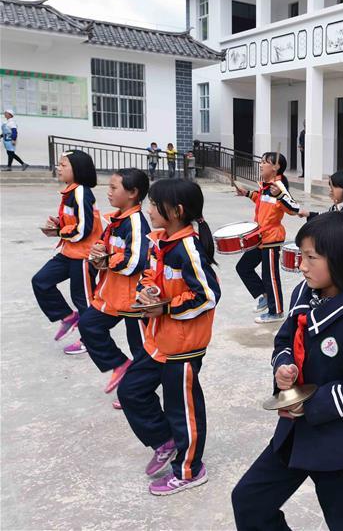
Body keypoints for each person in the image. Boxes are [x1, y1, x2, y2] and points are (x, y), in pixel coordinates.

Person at [231, 212, 343, 530]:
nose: (302, 266)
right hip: (295, 433)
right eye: (301, 255)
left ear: (342, 260)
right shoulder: (305, 294)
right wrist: (282, 367)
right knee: (249, 501)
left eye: (311, 257)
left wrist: (310, 403)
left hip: (340, 444)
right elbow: (286, 339)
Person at [118, 178, 220, 496]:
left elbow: (207, 295)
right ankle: (165, 440)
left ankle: (190, 470)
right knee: (131, 390)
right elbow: (151, 275)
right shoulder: (161, 240)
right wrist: (147, 290)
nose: (148, 209)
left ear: (176, 211)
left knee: (183, 409)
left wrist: (165, 308)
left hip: (184, 346)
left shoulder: (188, 248)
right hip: (159, 340)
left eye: (153, 204)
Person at [80, 168, 151, 399]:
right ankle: (120, 364)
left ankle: (141, 393)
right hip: (111, 294)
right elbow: (104, 249)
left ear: (133, 193)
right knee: (89, 325)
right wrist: (99, 253)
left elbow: (135, 262)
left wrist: (107, 260)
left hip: (133, 300)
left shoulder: (136, 223)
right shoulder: (115, 220)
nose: (108, 192)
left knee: (141, 349)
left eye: (113, 188)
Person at [32, 150, 103, 355]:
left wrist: (58, 231)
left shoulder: (81, 191)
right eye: (59, 164)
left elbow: (84, 228)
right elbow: (74, 222)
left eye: (63, 165)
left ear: (77, 169)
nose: (58, 168)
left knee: (84, 299)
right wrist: (59, 223)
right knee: (41, 281)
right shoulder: (70, 191)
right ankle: (67, 316)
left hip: (83, 255)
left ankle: (91, 340)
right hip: (69, 251)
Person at [234, 153, 301, 323]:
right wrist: (247, 193)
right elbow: (262, 200)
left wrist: (280, 195)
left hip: (272, 237)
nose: (261, 165)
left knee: (270, 275)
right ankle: (263, 295)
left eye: (265, 162)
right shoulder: (266, 186)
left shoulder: (278, 186)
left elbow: (294, 209)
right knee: (243, 267)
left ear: (275, 167)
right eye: (262, 162)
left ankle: (276, 311)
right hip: (259, 235)